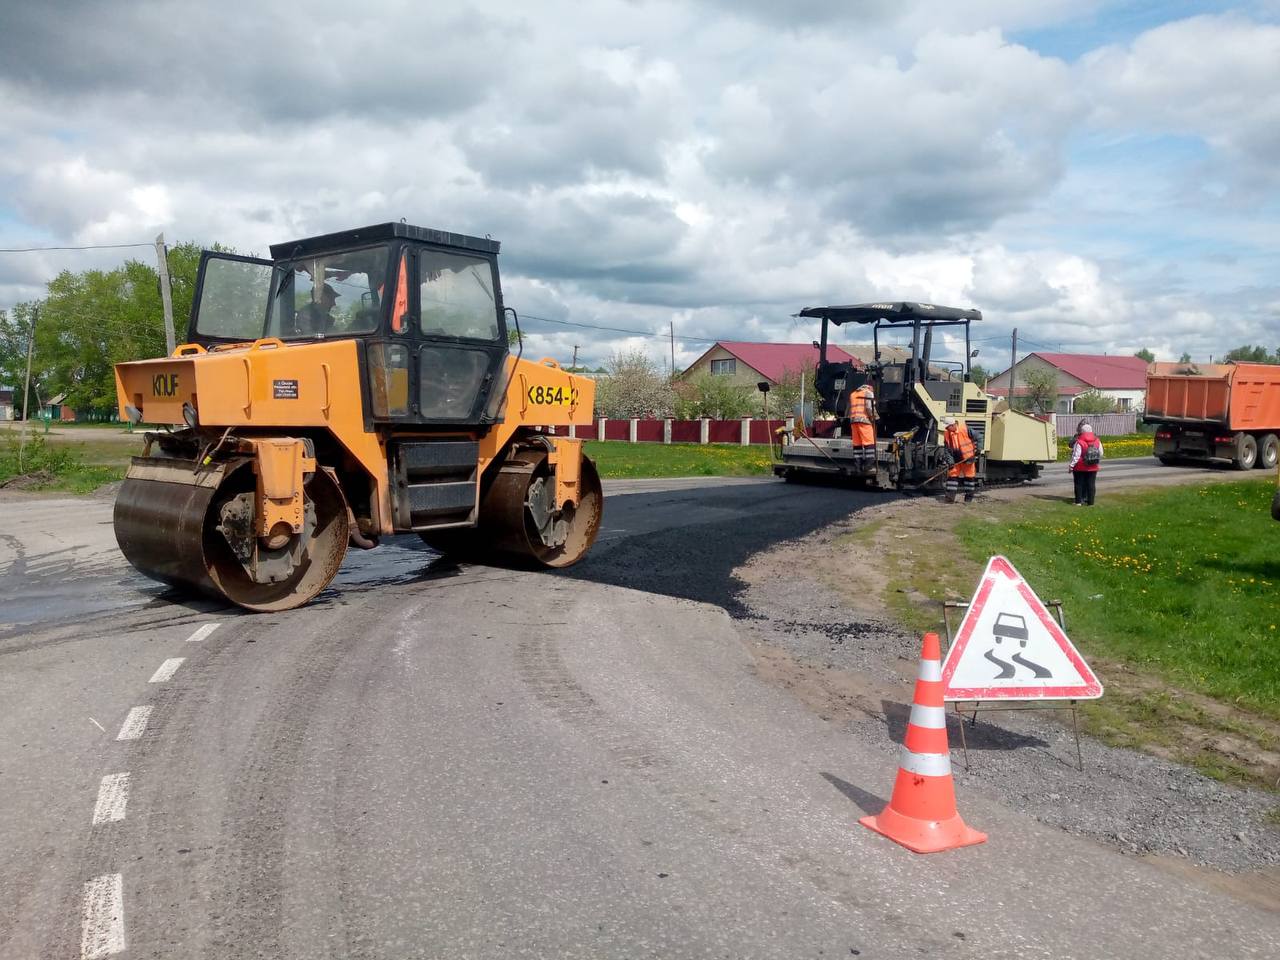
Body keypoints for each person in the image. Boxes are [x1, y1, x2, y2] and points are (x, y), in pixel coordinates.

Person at [941, 415, 978, 503]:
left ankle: (968, 499)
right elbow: (947, 449)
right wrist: (950, 461)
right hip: (955, 458)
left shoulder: (965, 429)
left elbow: (979, 437)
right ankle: (949, 499)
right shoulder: (947, 433)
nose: (946, 429)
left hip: (967, 458)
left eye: (947, 427)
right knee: (952, 478)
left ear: (952, 425)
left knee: (969, 478)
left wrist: (979, 449)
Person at [1069, 421, 1103, 505]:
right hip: (1093, 466)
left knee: (1079, 484)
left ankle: (1078, 502)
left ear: (1082, 431)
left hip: (1080, 466)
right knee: (1091, 484)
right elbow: (1101, 453)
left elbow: (1076, 455)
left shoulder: (1079, 441)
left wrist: (1071, 466)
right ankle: (1091, 503)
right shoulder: (1097, 440)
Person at [847, 382, 877, 473]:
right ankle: (868, 466)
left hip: (853, 422)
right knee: (869, 443)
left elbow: (850, 409)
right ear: (870, 387)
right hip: (864, 421)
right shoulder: (868, 392)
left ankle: (858, 467)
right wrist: (874, 418)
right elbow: (869, 407)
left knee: (857, 444)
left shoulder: (853, 394)